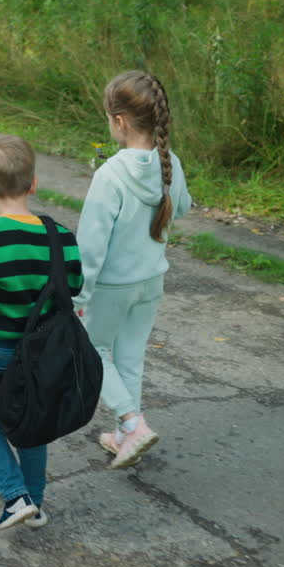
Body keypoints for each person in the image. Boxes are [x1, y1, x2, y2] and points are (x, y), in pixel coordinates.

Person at [0, 134, 84, 529]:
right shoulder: (60, 236)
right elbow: (74, 285)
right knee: (32, 423)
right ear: (34, 183)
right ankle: (36, 503)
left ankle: (15, 495)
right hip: (46, 353)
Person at [74, 70, 192, 469]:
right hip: (151, 280)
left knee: (91, 350)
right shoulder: (169, 162)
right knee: (129, 356)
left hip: (112, 285)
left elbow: (91, 245)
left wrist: (79, 295)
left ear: (120, 122)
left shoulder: (110, 175)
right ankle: (128, 436)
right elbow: (185, 206)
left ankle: (131, 422)